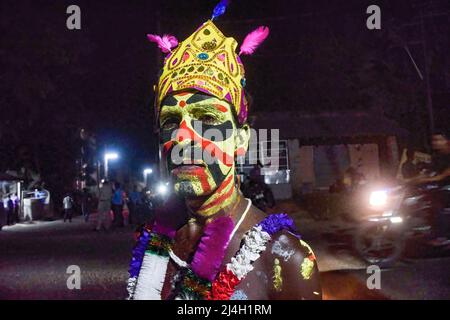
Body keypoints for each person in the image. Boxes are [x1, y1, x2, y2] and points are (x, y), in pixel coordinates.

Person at [126, 9, 321, 301]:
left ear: (240, 140)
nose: (182, 137)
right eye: (170, 121)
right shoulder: (155, 237)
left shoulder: (285, 258)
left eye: (206, 119)